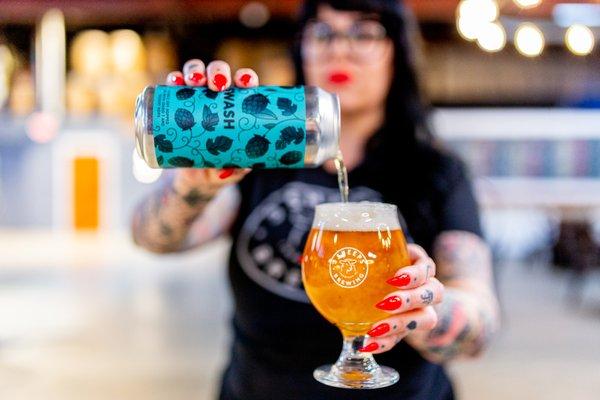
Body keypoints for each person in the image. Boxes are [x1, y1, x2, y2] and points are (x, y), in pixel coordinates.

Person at [132, 1, 500, 399]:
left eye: (363, 33)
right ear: (301, 49)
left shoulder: (436, 172)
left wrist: (426, 312)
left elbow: (479, 323)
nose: (338, 49)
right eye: (322, 33)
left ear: (398, 51)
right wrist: (193, 186)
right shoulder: (257, 152)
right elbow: (155, 238)